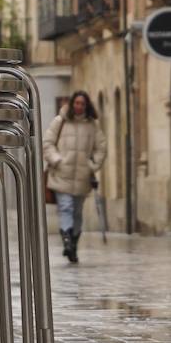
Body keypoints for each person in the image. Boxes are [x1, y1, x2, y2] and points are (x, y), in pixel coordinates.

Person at [43, 91, 106, 264]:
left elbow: (101, 148)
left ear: (86, 106)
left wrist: (92, 165)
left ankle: (73, 245)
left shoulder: (93, 125)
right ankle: (66, 240)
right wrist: (57, 161)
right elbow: (47, 143)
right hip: (61, 174)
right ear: (72, 104)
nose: (79, 106)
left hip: (82, 177)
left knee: (77, 212)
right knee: (65, 208)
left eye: (82, 104)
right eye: (76, 103)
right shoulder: (60, 121)